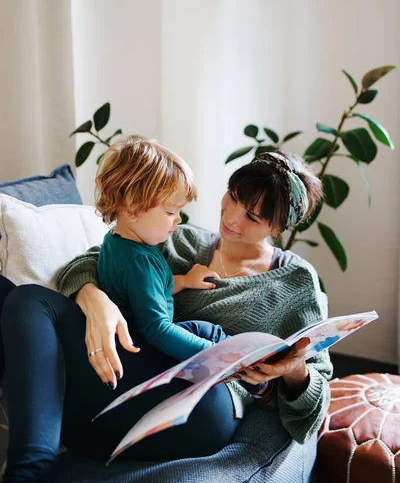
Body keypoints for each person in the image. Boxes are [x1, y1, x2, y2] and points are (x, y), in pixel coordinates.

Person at [0, 150, 332, 483]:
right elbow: (97, 258)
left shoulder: (296, 282)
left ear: (278, 226)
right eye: (232, 198)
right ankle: (31, 467)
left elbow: (317, 396)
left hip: (205, 398)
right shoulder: (182, 241)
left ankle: (40, 462)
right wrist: (94, 298)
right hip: (132, 378)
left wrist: (294, 370)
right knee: (22, 298)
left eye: (252, 217)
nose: (232, 218)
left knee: (32, 304)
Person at [95, 136, 227, 364]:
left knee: (207, 331)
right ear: (133, 209)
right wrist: (215, 357)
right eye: (170, 212)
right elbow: (157, 329)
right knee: (211, 334)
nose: (178, 220)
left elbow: (148, 291)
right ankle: (250, 372)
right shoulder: (138, 261)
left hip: (143, 342)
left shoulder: (117, 242)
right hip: (143, 351)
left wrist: (184, 281)